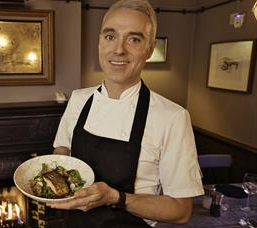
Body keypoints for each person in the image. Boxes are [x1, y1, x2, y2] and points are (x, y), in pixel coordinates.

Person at [49, 0, 204, 227]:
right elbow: (61, 149)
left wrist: (116, 197)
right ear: (100, 43)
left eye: (134, 39)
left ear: (150, 49)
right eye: (110, 37)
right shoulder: (78, 99)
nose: (119, 49)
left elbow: (181, 211)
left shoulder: (172, 117)